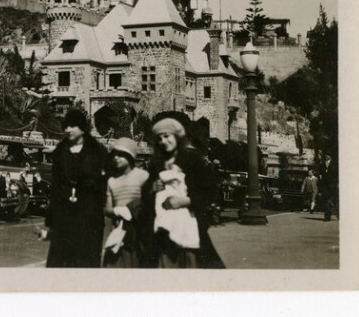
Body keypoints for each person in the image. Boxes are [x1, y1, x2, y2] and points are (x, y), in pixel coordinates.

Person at [142, 112, 225, 269]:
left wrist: (184, 201)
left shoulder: (192, 161)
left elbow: (209, 192)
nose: (164, 141)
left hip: (188, 224)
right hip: (162, 226)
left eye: (167, 136)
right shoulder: (156, 164)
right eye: (160, 138)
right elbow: (146, 195)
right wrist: (152, 188)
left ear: (177, 137)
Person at [37, 108, 108, 268]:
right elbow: (56, 186)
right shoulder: (60, 151)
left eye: (72, 126)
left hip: (89, 214)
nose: (68, 130)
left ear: (82, 128)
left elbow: (104, 182)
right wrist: (52, 219)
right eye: (66, 126)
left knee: (85, 260)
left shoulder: (97, 151)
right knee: (61, 259)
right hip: (64, 214)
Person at [102, 137, 149, 268]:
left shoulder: (142, 176)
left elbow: (148, 203)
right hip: (119, 233)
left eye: (121, 154)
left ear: (130, 156)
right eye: (114, 155)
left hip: (138, 231)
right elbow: (108, 209)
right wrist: (118, 211)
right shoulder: (112, 181)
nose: (116, 158)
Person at [318, 153, 339, 221]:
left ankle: (339, 215)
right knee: (326, 201)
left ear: (330, 156)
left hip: (333, 185)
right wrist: (321, 187)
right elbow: (320, 176)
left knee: (336, 201)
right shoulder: (321, 165)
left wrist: (337, 183)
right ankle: (327, 217)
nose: (326, 156)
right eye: (325, 155)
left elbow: (338, 174)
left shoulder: (335, 164)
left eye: (327, 155)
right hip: (325, 186)